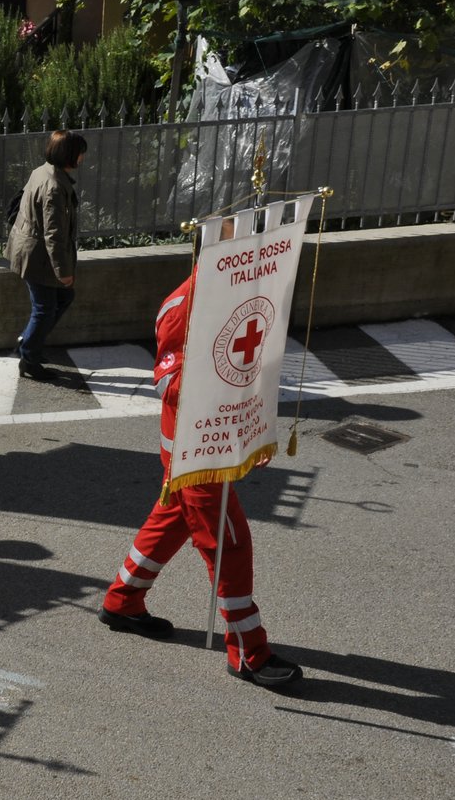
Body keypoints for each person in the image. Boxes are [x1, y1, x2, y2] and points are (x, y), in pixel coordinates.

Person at [97, 268, 302, 688]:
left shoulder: (237, 289)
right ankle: (248, 650)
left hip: (214, 444)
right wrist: (215, 384)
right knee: (229, 543)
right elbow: (168, 381)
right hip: (195, 453)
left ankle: (123, 599)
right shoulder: (182, 305)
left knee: (171, 519)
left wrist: (251, 428)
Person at [8, 130, 86, 381]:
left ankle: (29, 342)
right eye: (80, 153)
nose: (83, 157)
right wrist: (63, 272)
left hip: (30, 250)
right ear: (70, 155)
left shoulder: (42, 171)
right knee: (45, 308)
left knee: (60, 299)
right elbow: (54, 234)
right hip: (37, 256)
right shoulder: (53, 186)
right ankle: (29, 357)